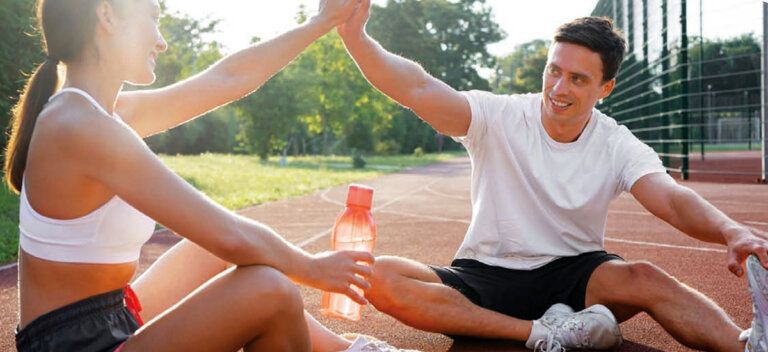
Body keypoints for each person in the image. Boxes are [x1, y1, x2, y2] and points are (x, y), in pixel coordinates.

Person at [334, 0, 768, 350]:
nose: (559, 89)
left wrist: (731, 230)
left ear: (605, 88)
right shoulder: (498, 116)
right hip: (483, 274)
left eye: (578, 79)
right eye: (554, 71)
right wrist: (356, 38)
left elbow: (670, 198)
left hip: (576, 277)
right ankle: (541, 334)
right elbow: (417, 87)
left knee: (646, 277)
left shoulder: (616, 143)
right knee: (376, 275)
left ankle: (746, 346)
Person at [7, 0, 413, 351]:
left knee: (211, 254)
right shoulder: (79, 126)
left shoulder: (96, 113)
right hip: (77, 345)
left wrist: (319, 23)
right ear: (107, 16)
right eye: (153, 17)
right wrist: (314, 269)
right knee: (271, 292)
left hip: (108, 315)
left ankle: (348, 349)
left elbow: (227, 79)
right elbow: (229, 235)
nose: (162, 40)